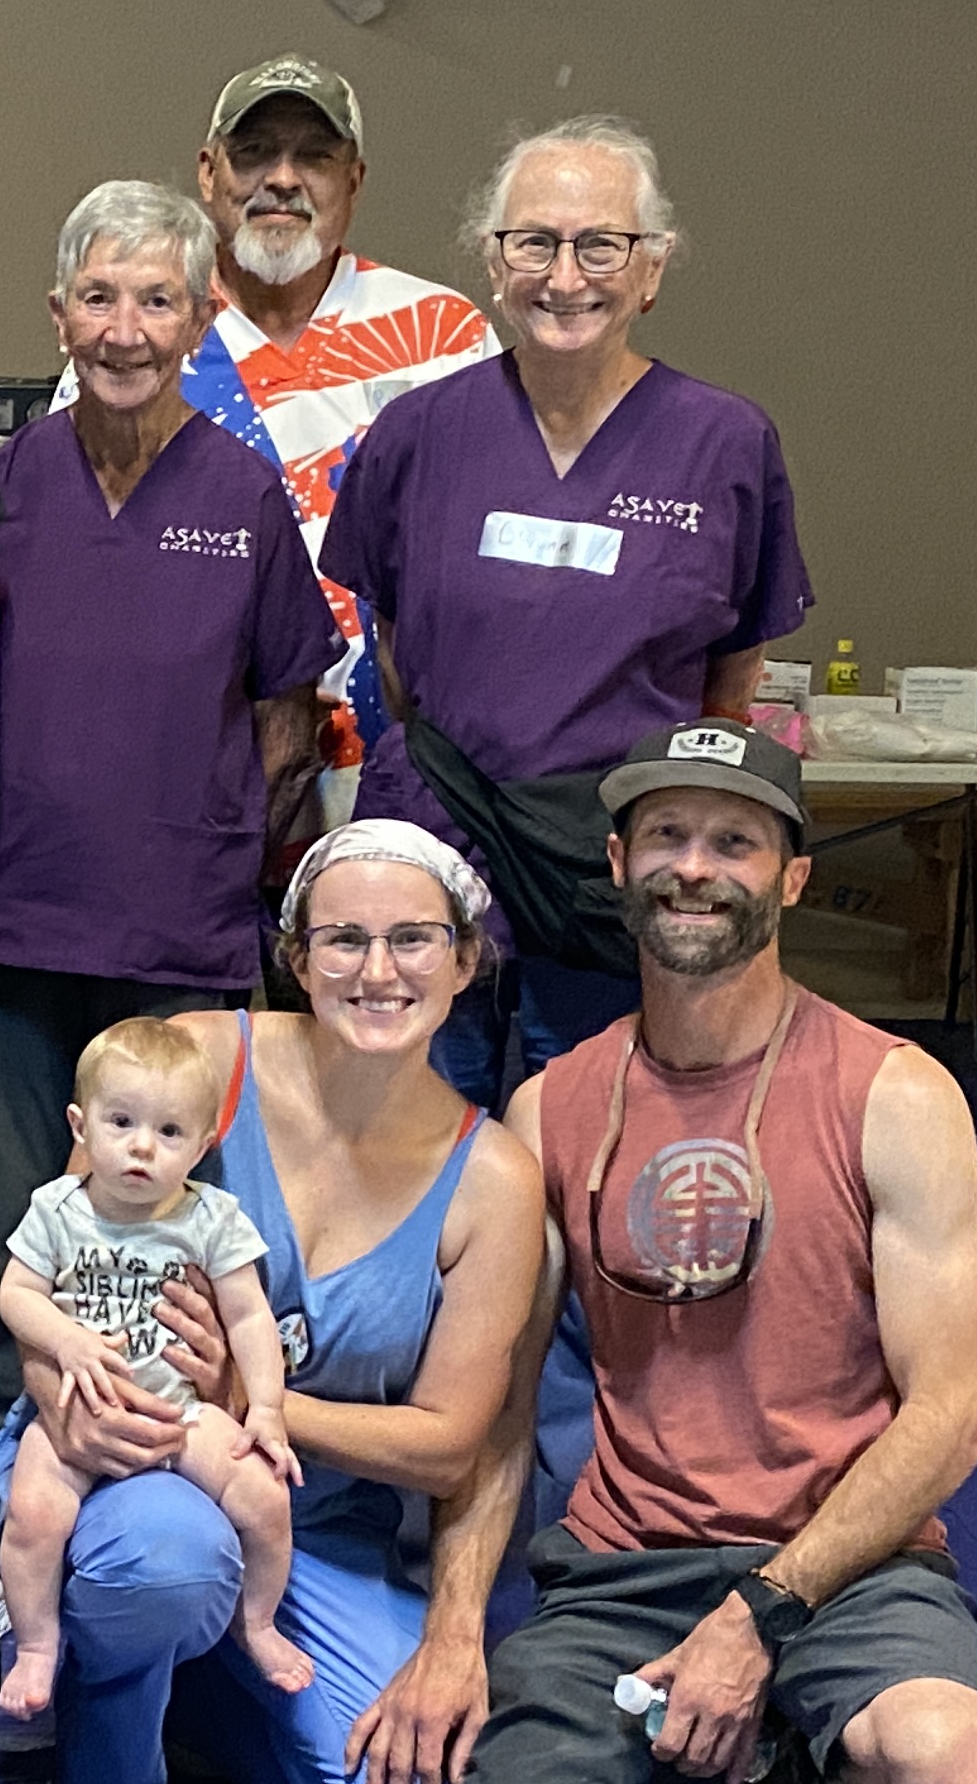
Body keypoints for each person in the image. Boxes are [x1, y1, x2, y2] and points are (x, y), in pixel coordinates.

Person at [453, 722, 977, 1784]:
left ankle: (810, 1773)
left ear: (793, 876)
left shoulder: (898, 1095)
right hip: (625, 1562)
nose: (694, 867)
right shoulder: (552, 1107)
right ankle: (719, 1783)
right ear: (616, 860)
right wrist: (454, 1632)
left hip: (842, 1560)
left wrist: (760, 1614)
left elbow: (951, 1416)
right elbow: (491, 1405)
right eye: (666, 835)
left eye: (734, 841)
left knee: (956, 1781)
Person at [0, 822, 544, 1784]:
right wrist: (67, 1401)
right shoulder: (198, 1063)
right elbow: (54, 1271)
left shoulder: (493, 1178)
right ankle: (109, 1781)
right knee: (164, 1555)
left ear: (468, 960)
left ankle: (184, 1686)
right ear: (296, 956)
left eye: (415, 940)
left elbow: (447, 1449)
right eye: (344, 941)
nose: (378, 972)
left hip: (312, 1533)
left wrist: (254, 1404)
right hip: (129, 1476)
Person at [0, 177, 342, 1419]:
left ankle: (172, 1452)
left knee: (170, 1224)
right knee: (27, 1225)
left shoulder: (240, 493)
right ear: (59, 315)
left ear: (199, 316)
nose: (125, 330)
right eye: (100, 298)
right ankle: (20, 1470)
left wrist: (209, 835)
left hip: (182, 929)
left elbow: (285, 710)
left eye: (155, 301)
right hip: (19, 921)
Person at [323, 116, 813, 1110]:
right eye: (534, 242)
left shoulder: (723, 444)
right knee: (414, 1129)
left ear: (653, 270)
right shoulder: (419, 434)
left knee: (596, 1135)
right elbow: (394, 643)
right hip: (442, 828)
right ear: (494, 262)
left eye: (601, 245)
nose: (565, 275)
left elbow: (734, 667)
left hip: (612, 858)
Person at [165, 56, 497, 826]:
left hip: (407, 771)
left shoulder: (444, 337)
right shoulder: (144, 328)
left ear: (354, 180)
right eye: (254, 154)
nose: (282, 179)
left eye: (313, 156)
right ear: (209, 173)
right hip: (200, 765)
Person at [0, 1017, 304, 1724]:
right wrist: (67, 1343)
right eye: (122, 1122)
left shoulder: (212, 1218)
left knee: (266, 1499)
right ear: (80, 1124)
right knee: (35, 1513)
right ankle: (38, 1644)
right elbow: (15, 1295)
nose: (141, 1147)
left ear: (203, 1144)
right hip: (78, 1409)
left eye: (169, 1133)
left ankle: (255, 1623)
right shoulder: (57, 1210)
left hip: (180, 1413)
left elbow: (251, 1318)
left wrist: (267, 1411)